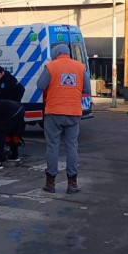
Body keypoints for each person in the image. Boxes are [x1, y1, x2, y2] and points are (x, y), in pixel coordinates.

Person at [36, 44, 90, 193]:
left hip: (54, 112)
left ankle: (50, 183)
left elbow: (40, 85)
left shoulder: (51, 66)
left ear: (56, 54)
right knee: (72, 147)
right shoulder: (80, 67)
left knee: (52, 146)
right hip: (73, 112)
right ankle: (72, 184)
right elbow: (87, 89)